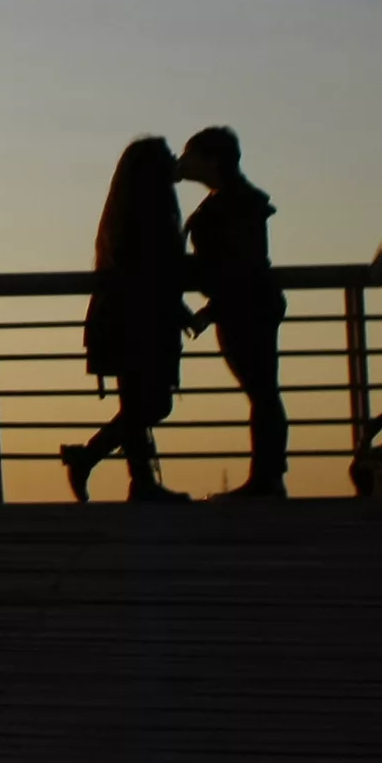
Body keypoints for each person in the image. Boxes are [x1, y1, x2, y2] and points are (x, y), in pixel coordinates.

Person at [62, 135, 187, 503]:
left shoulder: (127, 211)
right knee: (148, 404)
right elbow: (146, 270)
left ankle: (118, 471)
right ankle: (108, 467)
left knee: (139, 403)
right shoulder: (145, 213)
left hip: (127, 317)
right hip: (136, 318)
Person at [180, 124, 286, 499]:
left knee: (261, 392)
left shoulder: (232, 205)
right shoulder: (239, 201)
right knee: (262, 391)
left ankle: (267, 478)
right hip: (247, 305)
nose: (183, 163)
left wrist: (214, 308)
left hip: (245, 308)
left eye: (190, 157)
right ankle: (268, 475)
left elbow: (239, 267)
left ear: (211, 161)